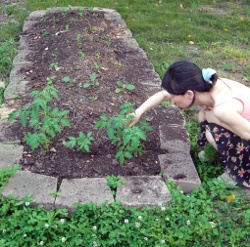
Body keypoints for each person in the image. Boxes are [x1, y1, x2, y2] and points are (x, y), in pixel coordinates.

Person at [129, 60, 250, 188]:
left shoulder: (223, 108)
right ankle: (218, 152)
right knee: (203, 116)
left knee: (213, 132)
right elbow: (163, 95)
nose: (172, 101)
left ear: (189, 94)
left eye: (174, 98)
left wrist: (216, 120)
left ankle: (238, 172)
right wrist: (138, 112)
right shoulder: (207, 84)